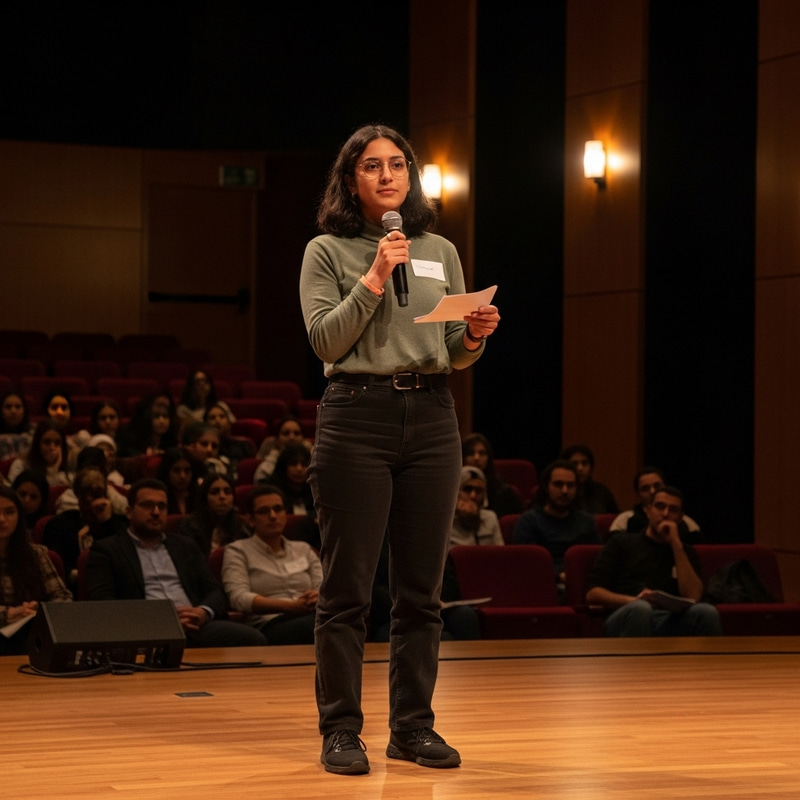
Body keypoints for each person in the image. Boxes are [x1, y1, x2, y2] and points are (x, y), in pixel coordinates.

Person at [300, 123, 500, 775]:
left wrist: (474, 335)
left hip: (434, 413)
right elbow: (327, 343)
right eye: (371, 167)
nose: (387, 176)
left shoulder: (440, 248)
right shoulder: (327, 250)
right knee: (348, 590)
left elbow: (451, 353)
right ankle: (341, 730)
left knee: (421, 592)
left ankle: (412, 728)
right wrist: (376, 275)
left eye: (397, 165)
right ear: (349, 180)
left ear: (410, 177)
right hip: (357, 414)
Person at [86, 478, 266, 647]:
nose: (156, 512)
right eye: (148, 505)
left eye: (162, 506)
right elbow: (103, 604)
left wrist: (202, 612)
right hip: (144, 631)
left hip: (195, 625)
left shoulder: (184, 545)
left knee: (254, 640)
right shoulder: (107, 550)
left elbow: (214, 591)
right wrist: (163, 620)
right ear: (129, 512)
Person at [586, 486, 722, 637]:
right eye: (660, 506)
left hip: (669, 618)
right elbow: (593, 593)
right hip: (626, 614)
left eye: (673, 510)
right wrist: (634, 600)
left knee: (706, 612)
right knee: (641, 609)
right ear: (648, 510)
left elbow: (693, 597)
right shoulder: (621, 543)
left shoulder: (684, 551)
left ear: (680, 518)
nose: (665, 514)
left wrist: (676, 545)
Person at [222, 484, 321, 645]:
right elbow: (238, 597)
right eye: (264, 511)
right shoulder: (237, 551)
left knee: (338, 621)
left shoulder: (303, 549)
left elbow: (323, 587)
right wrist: (289, 606)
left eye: (278, 509)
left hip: (311, 615)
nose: (273, 516)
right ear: (250, 520)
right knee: (320, 626)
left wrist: (317, 596)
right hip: (270, 622)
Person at [0, 485, 72, 655]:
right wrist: (8, 613)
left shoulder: (36, 554)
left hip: (32, 638)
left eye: (9, 512)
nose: (2, 519)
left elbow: (64, 597)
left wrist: (40, 608)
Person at [512, 460, 599, 584]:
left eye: (570, 485)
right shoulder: (529, 522)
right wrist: (559, 576)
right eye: (558, 484)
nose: (565, 491)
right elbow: (525, 565)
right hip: (543, 584)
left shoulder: (587, 522)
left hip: (582, 583)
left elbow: (597, 560)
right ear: (547, 487)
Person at [42, 465, 129, 589]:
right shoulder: (59, 525)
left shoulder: (119, 524)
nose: (89, 498)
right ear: (77, 494)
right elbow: (56, 568)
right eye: (85, 492)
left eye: (96, 492)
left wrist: (106, 521)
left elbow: (126, 561)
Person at [609, 466, 702, 542]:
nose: (652, 491)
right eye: (645, 488)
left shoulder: (688, 523)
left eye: (657, 486)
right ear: (637, 494)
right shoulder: (623, 520)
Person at [178, 474, 249, 558]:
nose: (222, 497)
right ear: (205, 498)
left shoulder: (241, 527)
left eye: (227, 492)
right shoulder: (189, 526)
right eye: (214, 492)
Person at [461, 432, 524, 517]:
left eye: (482, 453)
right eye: (471, 453)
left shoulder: (502, 491)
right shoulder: (450, 487)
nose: (477, 458)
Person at [55, 445, 129, 516]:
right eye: (88, 469)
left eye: (97, 470)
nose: (92, 475)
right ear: (78, 473)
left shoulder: (114, 497)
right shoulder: (66, 499)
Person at [450, 466, 504, 547]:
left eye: (478, 490)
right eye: (467, 489)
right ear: (456, 491)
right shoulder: (445, 521)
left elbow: (500, 553)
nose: (473, 495)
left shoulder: (490, 518)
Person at [7, 420, 72, 487]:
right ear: (38, 444)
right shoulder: (20, 466)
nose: (52, 447)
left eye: (57, 443)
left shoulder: (70, 468)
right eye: (47, 442)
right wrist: (53, 472)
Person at [559, 443, 619, 515]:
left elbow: (615, 519)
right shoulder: (560, 491)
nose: (580, 468)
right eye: (575, 463)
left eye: (584, 463)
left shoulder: (602, 491)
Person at [115, 392, 179, 458]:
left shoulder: (171, 441)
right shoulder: (129, 441)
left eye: (165, 416)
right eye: (156, 416)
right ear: (146, 417)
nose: (161, 421)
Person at [204, 402, 255, 483]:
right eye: (212, 418)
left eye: (222, 416)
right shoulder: (203, 448)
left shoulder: (244, 446)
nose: (217, 420)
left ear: (229, 422)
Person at [254, 416, 312, 481]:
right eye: (286, 433)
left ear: (303, 439)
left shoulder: (312, 462)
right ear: (277, 440)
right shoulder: (265, 470)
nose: (291, 437)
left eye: (296, 433)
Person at [155, 447, 202, 516]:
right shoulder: (156, 498)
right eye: (176, 470)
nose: (183, 476)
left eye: (187, 470)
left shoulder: (200, 498)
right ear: (166, 472)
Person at [0, 391, 33, 460]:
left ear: (24, 410)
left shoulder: (34, 433)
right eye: (8, 407)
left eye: (18, 407)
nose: (13, 411)